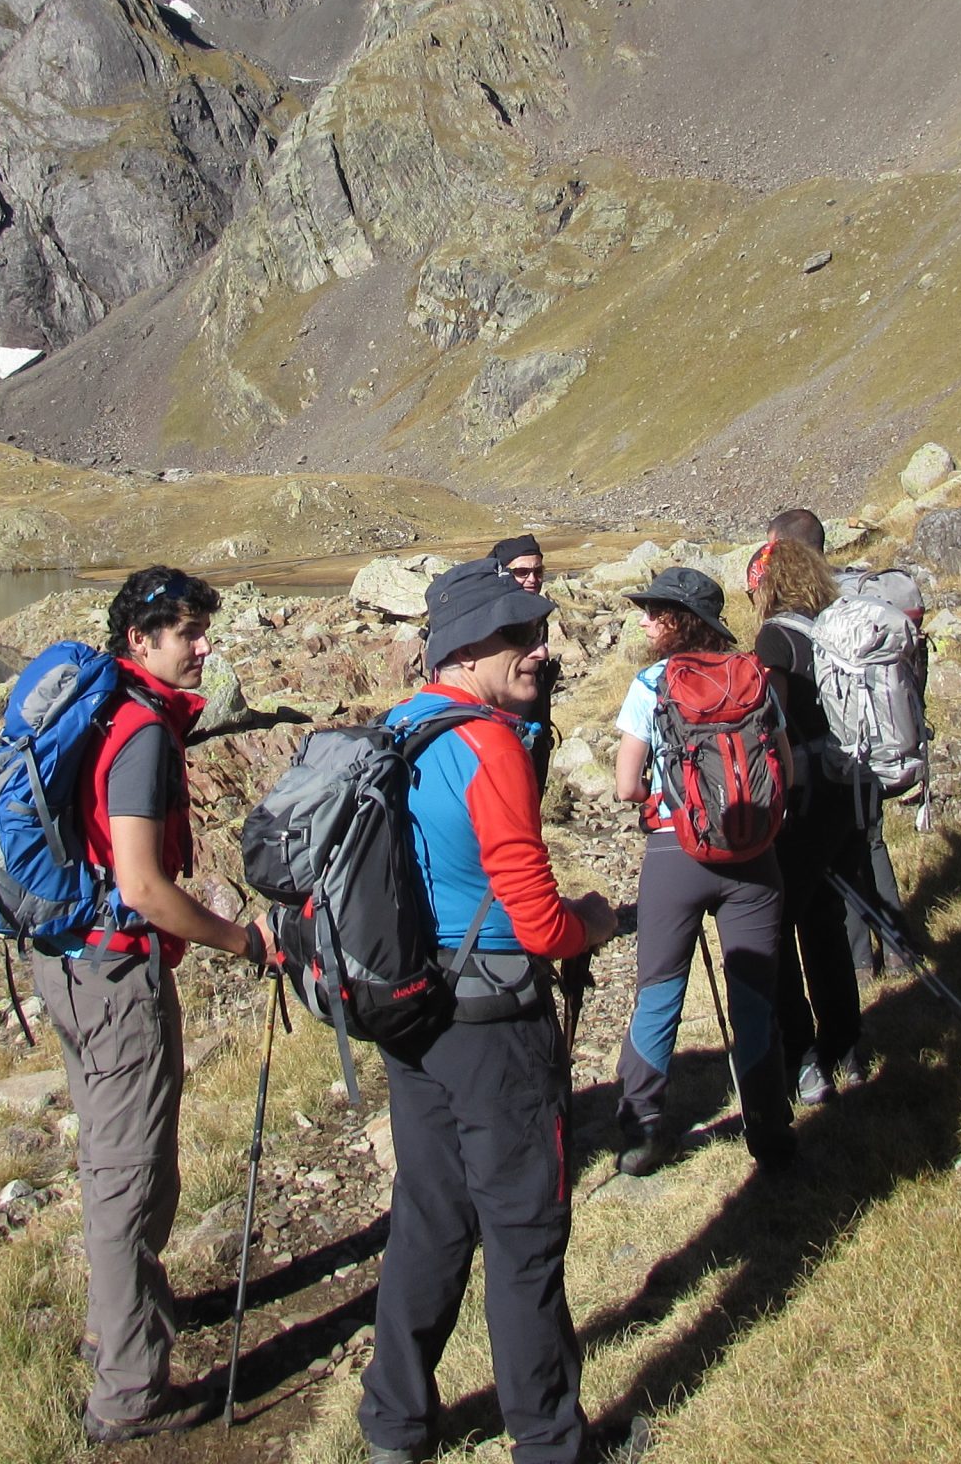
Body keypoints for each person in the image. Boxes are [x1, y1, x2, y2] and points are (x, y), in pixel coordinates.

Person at [361, 561, 618, 1464]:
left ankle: (395, 1422)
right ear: (465, 649)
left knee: (430, 1214)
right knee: (524, 1230)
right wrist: (597, 919)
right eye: (517, 636)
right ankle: (549, 1441)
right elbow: (540, 922)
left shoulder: (399, 728)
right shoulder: (492, 745)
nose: (538, 650)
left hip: (411, 1012)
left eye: (536, 633)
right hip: (497, 1026)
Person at [40, 565, 276, 1444]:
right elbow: (142, 885)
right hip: (115, 971)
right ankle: (129, 1394)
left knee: (123, 1156)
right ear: (141, 642)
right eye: (189, 634)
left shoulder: (111, 710)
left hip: (73, 965)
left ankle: (132, 1315)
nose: (204, 647)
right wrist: (240, 940)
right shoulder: (139, 731)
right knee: (126, 1174)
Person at [610, 566, 795, 1176]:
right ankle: (771, 1129)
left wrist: (657, 804)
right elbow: (785, 773)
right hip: (756, 857)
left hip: (675, 854)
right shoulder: (753, 677)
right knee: (755, 995)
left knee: (660, 990)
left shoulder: (652, 684)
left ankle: (641, 1131)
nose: (643, 620)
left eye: (653, 610)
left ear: (677, 620)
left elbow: (625, 784)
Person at [747, 534, 872, 1106]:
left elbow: (768, 717)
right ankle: (848, 1047)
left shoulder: (775, 636)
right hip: (847, 788)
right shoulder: (836, 625)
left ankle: (801, 1060)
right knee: (825, 922)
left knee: (778, 925)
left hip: (803, 796)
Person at [488, 534, 561, 790]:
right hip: (501, 744)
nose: (532, 579)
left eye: (538, 571)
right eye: (522, 572)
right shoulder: (491, 621)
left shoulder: (538, 615)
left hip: (535, 738)